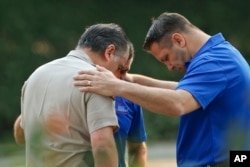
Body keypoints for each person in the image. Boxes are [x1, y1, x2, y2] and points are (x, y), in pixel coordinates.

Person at [73, 12, 250, 167]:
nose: (169, 67)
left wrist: (118, 86)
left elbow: (179, 103)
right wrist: (131, 80)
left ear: (178, 40)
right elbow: (182, 90)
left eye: (166, 58)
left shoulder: (214, 62)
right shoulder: (221, 54)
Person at [13, 23, 133, 167]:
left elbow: (20, 136)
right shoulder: (96, 81)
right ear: (109, 52)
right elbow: (102, 146)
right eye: (120, 68)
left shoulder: (35, 76)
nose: (118, 77)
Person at [113, 43, 147, 167]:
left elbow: (137, 148)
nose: (122, 77)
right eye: (119, 69)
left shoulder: (129, 96)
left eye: (126, 72)